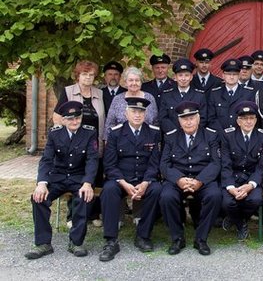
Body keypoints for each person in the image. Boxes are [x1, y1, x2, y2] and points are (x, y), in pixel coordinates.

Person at [25, 101, 99, 260]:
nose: (75, 122)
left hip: (79, 177)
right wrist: (42, 183)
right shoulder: (54, 133)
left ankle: (76, 242)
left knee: (85, 198)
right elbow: (46, 160)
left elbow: (92, 160)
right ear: (63, 120)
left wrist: (87, 183)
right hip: (57, 177)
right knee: (38, 199)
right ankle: (43, 243)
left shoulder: (89, 133)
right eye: (71, 119)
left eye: (78, 118)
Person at [98, 98, 162, 261]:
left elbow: (154, 164)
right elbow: (109, 164)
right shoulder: (115, 132)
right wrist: (124, 183)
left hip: (143, 178)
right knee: (109, 190)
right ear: (126, 113)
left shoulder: (153, 132)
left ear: (145, 114)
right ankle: (111, 240)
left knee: (156, 190)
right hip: (121, 179)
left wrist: (146, 182)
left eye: (141, 112)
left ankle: (143, 235)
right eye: (134, 111)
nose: (137, 115)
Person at [160, 101, 221, 256]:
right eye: (184, 119)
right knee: (166, 196)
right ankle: (177, 238)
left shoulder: (210, 136)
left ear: (198, 119)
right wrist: (179, 179)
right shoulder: (171, 137)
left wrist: (199, 181)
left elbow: (215, 163)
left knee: (215, 195)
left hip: (202, 180)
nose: (188, 122)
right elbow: (164, 164)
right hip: (178, 180)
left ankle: (201, 239)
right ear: (179, 121)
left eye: (191, 118)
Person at [220, 101, 263, 241]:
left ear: (256, 119)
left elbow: (261, 165)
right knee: (228, 202)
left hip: (252, 177)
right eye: (244, 118)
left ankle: (234, 218)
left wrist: (251, 185)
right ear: (238, 121)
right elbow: (225, 164)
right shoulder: (227, 135)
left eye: (252, 118)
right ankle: (241, 224)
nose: (248, 122)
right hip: (233, 177)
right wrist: (230, 187)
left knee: (255, 200)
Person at [53, 60, 105, 145]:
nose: (88, 77)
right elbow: (57, 118)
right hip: (72, 143)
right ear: (78, 76)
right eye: (84, 74)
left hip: (94, 143)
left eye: (91, 75)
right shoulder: (68, 91)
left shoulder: (100, 94)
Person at [104, 67, 158, 140]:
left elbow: (155, 123)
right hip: (120, 142)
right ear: (125, 82)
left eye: (137, 80)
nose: (134, 83)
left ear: (141, 82)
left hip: (146, 141)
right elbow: (110, 124)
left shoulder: (149, 98)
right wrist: (108, 144)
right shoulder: (117, 99)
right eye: (131, 80)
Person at [207, 59, 255, 132]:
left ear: (239, 75)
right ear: (223, 75)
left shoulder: (248, 93)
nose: (232, 77)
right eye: (229, 74)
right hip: (219, 137)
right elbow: (211, 118)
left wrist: (233, 135)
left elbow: (250, 117)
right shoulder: (215, 93)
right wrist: (223, 134)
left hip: (239, 136)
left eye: (235, 74)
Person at [159, 58, 207, 131]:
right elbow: (163, 118)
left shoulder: (199, 96)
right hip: (172, 137)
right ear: (175, 77)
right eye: (180, 75)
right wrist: (175, 133)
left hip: (193, 137)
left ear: (191, 77)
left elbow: (203, 118)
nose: (183, 79)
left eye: (186, 75)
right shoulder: (166, 95)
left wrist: (190, 131)